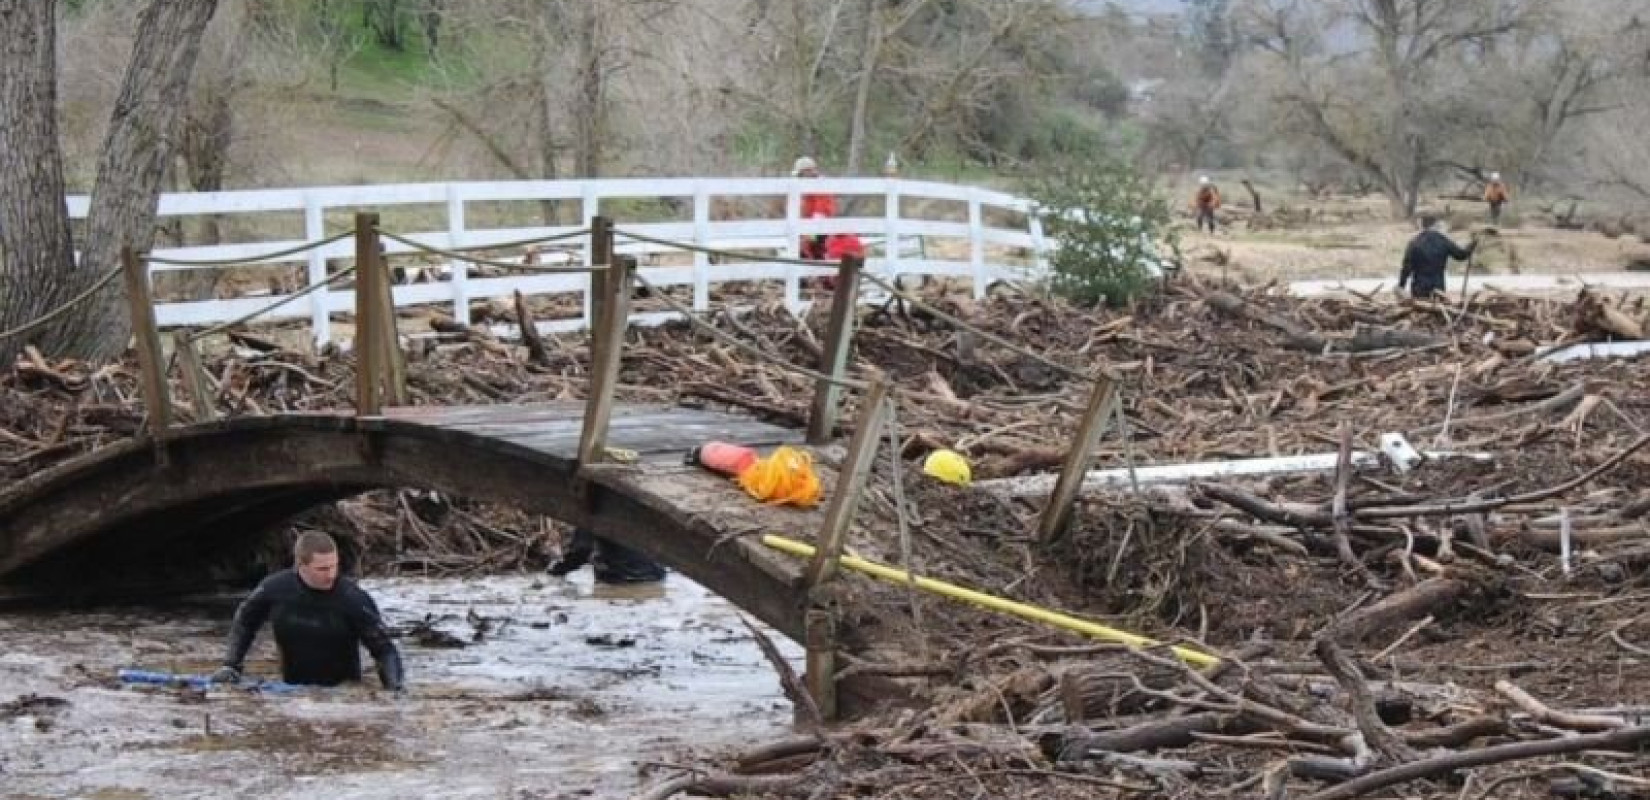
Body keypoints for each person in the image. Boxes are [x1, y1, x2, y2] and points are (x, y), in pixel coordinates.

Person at [212, 531, 404, 691]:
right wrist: (231, 665)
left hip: (342, 694)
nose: (331, 574)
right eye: (322, 569)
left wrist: (395, 690)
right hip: (291, 690)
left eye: (334, 566)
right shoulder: (274, 588)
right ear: (301, 565)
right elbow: (245, 622)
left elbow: (384, 650)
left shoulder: (353, 599)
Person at [1399, 214, 1478, 300]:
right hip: (1438, 286)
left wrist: (1401, 285)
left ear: (1421, 225)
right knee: (1438, 310)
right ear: (1436, 225)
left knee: (1420, 310)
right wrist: (1472, 245)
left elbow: (1406, 268)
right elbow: (1461, 255)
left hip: (1419, 287)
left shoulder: (1414, 243)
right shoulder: (1443, 241)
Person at [548, 527, 667, 584]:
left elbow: (581, 551)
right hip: (656, 575)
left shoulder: (592, 511)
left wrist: (555, 571)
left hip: (619, 579)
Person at [794, 156, 835, 260]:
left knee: (816, 253)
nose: (799, 178)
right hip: (809, 228)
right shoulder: (806, 189)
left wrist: (809, 236)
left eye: (801, 174)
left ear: (808, 172)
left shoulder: (820, 186)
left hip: (820, 229)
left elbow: (821, 213)